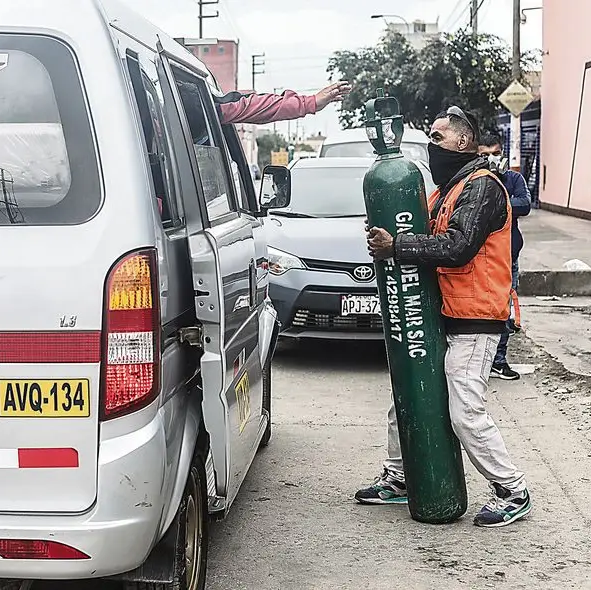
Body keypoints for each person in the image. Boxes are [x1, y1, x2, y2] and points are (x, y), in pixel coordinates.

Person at [358, 107, 532, 528]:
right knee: (410, 398)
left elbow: (457, 247)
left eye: (437, 138)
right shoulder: (446, 191)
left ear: (462, 142)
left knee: (465, 411)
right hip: (442, 316)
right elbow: (423, 232)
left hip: (475, 320)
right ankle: (400, 479)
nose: (430, 146)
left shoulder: (482, 188)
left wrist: (397, 245)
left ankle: (513, 490)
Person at [477, 132, 532, 381]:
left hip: (507, 258)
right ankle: (478, 360)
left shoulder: (513, 179)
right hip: (477, 257)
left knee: (504, 310)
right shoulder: (473, 180)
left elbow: (524, 204)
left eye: (495, 153)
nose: (491, 159)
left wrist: (494, 202)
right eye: (485, 154)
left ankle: (498, 361)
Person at [215, 81, 351, 125]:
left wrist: (310, 103)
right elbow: (249, 108)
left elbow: (246, 107)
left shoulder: (201, 104)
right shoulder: (199, 104)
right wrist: (309, 103)